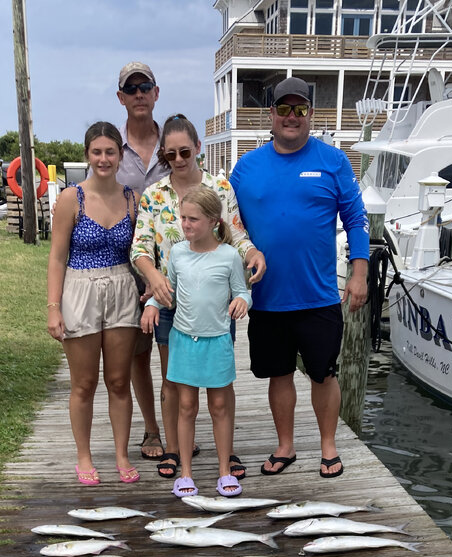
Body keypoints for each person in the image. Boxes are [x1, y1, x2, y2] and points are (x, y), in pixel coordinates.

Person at [230, 77, 370, 479]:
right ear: (271, 114)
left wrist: (359, 273)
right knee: (279, 374)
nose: (292, 117)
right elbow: (224, 221)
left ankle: (328, 447)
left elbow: (357, 220)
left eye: (300, 109)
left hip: (318, 295)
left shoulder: (334, 161)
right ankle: (285, 446)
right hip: (267, 297)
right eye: (283, 109)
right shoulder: (246, 167)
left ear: (310, 113)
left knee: (323, 373)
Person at [131, 113, 266, 482]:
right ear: (163, 154)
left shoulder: (219, 187)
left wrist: (253, 253)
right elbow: (140, 247)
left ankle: (226, 451)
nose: (178, 159)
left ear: (197, 148)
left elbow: (236, 235)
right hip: (168, 297)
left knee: (221, 384)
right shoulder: (154, 194)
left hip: (214, 303)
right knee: (173, 380)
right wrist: (154, 279)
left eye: (184, 152)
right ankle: (176, 449)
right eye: (170, 154)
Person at [141, 186, 251, 498]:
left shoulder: (229, 256)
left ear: (214, 221)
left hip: (217, 341)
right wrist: (152, 305)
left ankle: (224, 470)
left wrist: (243, 301)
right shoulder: (177, 253)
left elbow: (242, 291)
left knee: (219, 406)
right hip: (184, 341)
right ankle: (186, 473)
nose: (186, 225)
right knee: (186, 406)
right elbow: (169, 291)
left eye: (193, 219)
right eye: (183, 218)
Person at [46, 121, 141, 485]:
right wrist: (53, 307)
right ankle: (84, 456)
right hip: (80, 289)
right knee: (83, 383)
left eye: (110, 152)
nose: (104, 159)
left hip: (121, 289)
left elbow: (142, 251)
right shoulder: (72, 198)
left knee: (118, 381)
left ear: (120, 156)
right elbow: (57, 257)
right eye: (97, 152)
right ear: (87, 154)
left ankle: (121, 454)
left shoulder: (132, 199)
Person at [115, 61, 169, 462]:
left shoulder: (174, 142)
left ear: (156, 92)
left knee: (173, 352)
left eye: (144, 86)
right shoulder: (112, 148)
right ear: (121, 97)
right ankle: (152, 429)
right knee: (138, 353)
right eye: (131, 89)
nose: (139, 94)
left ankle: (178, 427)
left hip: (174, 267)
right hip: (128, 267)